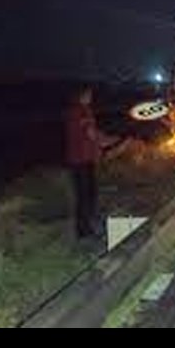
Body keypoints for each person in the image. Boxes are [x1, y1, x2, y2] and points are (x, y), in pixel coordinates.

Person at [64, 86, 111, 240]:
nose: (90, 96)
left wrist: (104, 139)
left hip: (87, 159)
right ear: (81, 95)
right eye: (88, 94)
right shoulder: (78, 112)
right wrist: (104, 141)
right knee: (84, 196)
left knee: (91, 193)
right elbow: (90, 133)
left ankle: (90, 224)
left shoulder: (85, 110)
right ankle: (83, 231)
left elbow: (92, 131)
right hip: (79, 161)